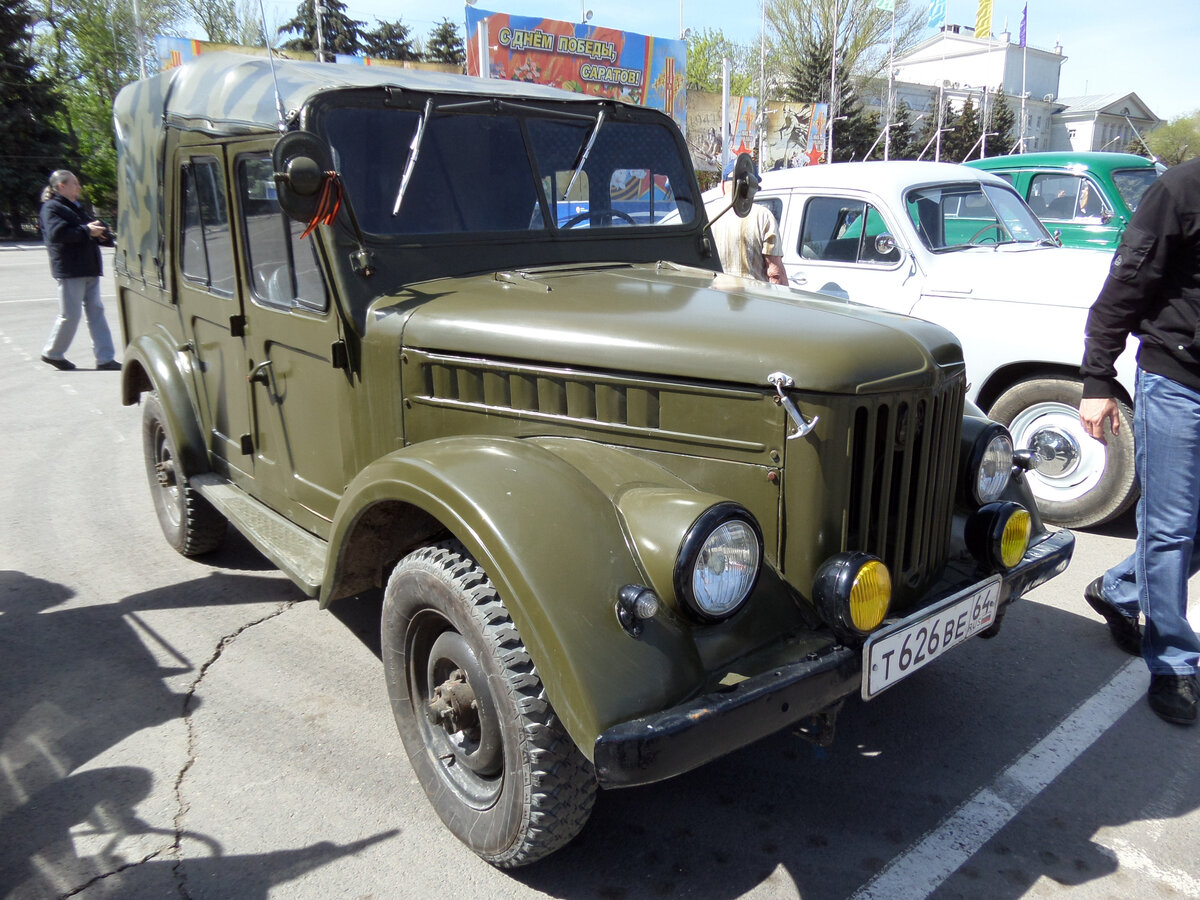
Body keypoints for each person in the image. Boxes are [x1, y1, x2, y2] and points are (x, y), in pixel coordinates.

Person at [1078, 156, 1200, 725]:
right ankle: (1175, 665)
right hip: (1178, 382)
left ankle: (1121, 588)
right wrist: (1098, 378)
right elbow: (1123, 288)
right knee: (1170, 526)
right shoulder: (1181, 189)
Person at [39, 170, 120, 371]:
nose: (79, 187)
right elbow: (57, 234)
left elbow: (90, 230)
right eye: (75, 183)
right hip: (70, 269)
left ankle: (105, 359)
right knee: (70, 315)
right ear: (61, 186)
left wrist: (103, 235)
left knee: (96, 312)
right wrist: (87, 230)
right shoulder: (52, 208)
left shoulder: (76, 208)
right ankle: (52, 353)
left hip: (89, 267)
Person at [704, 157, 788, 285]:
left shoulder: (705, 214)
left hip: (714, 299)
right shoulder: (763, 216)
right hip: (752, 300)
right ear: (751, 186)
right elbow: (775, 274)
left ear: (722, 185)